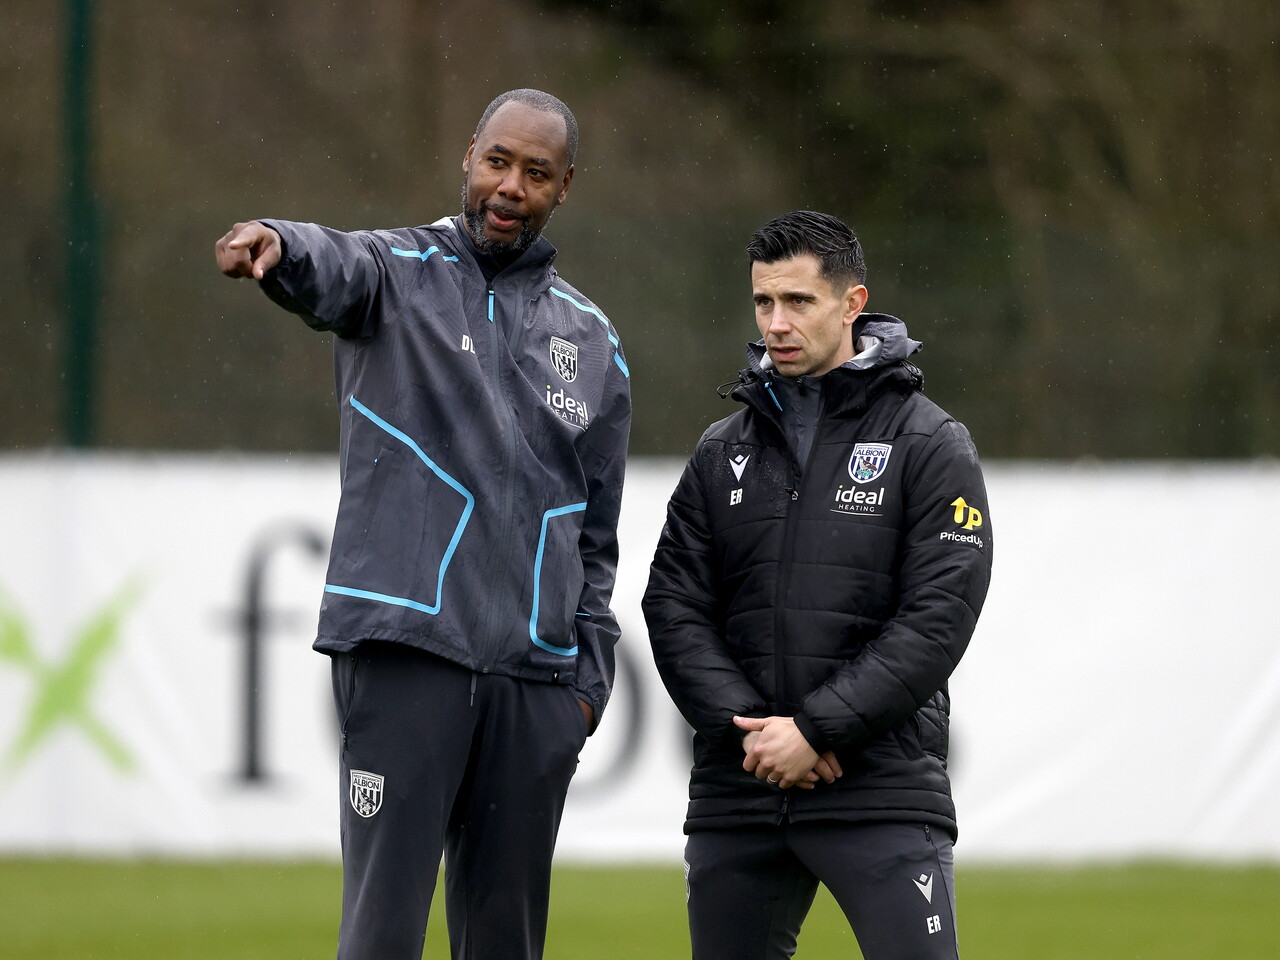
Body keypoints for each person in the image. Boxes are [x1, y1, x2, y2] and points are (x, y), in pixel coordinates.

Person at [214, 88, 630, 960]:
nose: (510, 186)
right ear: (468, 158)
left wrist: (586, 683)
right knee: (382, 937)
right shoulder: (395, 273)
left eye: (536, 172)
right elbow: (332, 264)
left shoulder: (593, 340)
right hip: (407, 656)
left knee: (505, 946)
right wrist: (281, 245)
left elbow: (597, 535)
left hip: (536, 685)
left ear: (564, 188)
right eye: (498, 162)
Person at [643, 210, 991, 960]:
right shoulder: (719, 452)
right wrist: (755, 734)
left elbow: (938, 614)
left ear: (851, 303)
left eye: (798, 301)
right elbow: (673, 605)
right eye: (764, 302)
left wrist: (816, 731)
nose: (777, 323)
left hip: (880, 789)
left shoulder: (930, 442)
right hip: (741, 791)